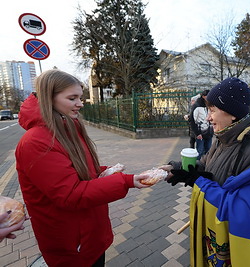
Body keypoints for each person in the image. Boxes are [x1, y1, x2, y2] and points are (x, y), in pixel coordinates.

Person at [15, 69, 152, 267]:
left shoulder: (68, 126)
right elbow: (70, 194)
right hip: (70, 243)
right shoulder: (36, 142)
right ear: (48, 98)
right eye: (72, 98)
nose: (80, 103)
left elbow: (78, 172)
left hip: (88, 234)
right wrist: (126, 181)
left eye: (80, 97)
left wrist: (103, 172)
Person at [163, 77, 250, 186]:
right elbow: (204, 165)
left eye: (212, 111)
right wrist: (176, 169)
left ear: (232, 113)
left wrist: (200, 182)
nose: (208, 118)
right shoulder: (224, 137)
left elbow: (243, 202)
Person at [189, 90, 213, 159]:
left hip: (209, 131)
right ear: (203, 96)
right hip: (200, 132)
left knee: (208, 150)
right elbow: (192, 120)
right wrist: (197, 133)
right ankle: (197, 166)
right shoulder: (197, 106)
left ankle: (206, 166)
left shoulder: (210, 104)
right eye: (208, 96)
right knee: (200, 151)